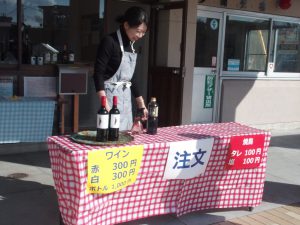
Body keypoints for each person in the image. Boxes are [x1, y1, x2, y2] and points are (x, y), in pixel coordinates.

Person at [93, 6, 148, 131]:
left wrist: (141, 104)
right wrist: (105, 106)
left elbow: (131, 77)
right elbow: (98, 74)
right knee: (109, 135)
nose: (140, 35)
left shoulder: (130, 45)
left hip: (126, 99)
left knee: (126, 135)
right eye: (138, 31)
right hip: (109, 97)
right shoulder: (109, 42)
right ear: (127, 25)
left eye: (143, 32)